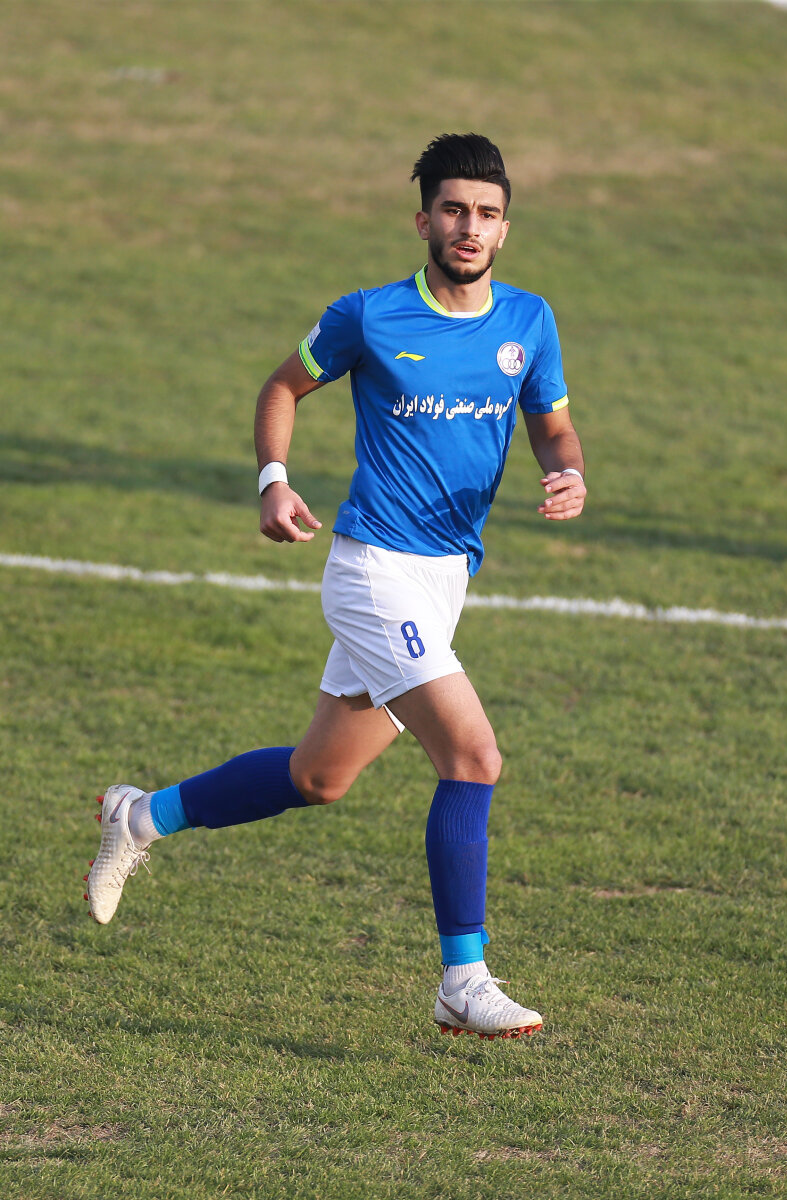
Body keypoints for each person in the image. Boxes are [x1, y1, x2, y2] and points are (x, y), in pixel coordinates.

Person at [86, 133, 586, 1040]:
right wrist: (273, 481)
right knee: (472, 757)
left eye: (487, 213)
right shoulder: (371, 316)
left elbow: (551, 424)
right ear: (423, 220)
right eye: (453, 209)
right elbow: (281, 388)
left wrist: (567, 470)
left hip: (444, 581)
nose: (469, 227)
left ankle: (141, 816)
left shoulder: (529, 321)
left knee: (319, 776)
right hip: (372, 572)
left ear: (505, 228)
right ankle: (463, 980)